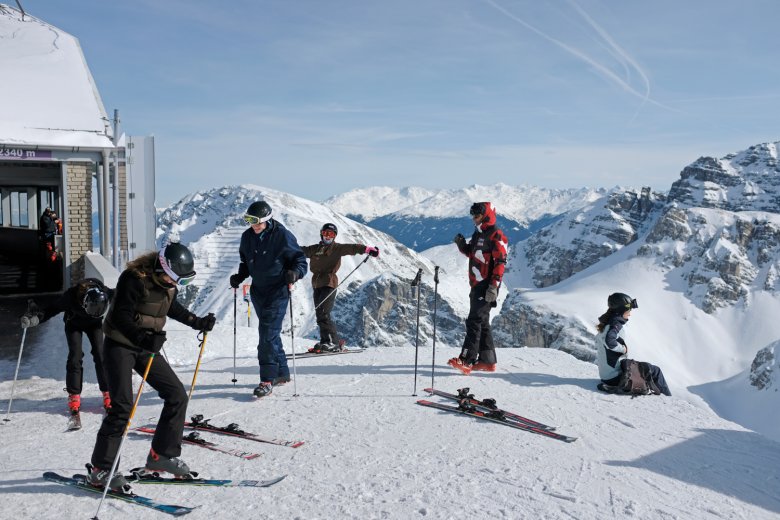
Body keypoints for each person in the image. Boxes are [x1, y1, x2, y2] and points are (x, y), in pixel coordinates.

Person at [87, 243, 216, 490]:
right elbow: (121, 317)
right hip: (119, 345)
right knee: (122, 406)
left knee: (176, 395)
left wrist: (197, 322)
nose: (174, 284)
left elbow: (172, 307)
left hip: (146, 347)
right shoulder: (134, 279)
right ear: (160, 268)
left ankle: (162, 456)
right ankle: (101, 470)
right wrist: (143, 338)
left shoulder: (168, 285)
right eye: (173, 278)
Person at [229, 201, 307, 397]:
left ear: (266, 219)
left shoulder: (282, 235)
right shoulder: (247, 236)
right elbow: (245, 262)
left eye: (256, 221)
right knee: (270, 335)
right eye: (248, 220)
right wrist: (240, 276)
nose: (252, 225)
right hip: (258, 290)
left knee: (266, 334)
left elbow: (300, 260)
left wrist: (294, 274)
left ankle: (267, 379)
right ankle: (282, 373)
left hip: (278, 290)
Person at [21, 278, 114, 415]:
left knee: (100, 354)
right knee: (75, 356)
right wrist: (37, 319)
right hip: (74, 323)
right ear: (85, 302)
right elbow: (52, 309)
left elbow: (124, 294)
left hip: (94, 323)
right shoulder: (70, 296)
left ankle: (107, 392)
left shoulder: (105, 292)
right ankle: (74, 394)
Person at [448, 202, 508, 374]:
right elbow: (473, 253)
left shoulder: (496, 235)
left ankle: (466, 360)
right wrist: (462, 246)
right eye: (472, 216)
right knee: (482, 322)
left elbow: (500, 262)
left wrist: (493, 286)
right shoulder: (479, 233)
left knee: (474, 321)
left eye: (477, 216)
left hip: (486, 285)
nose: (474, 219)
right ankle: (487, 362)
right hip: (476, 283)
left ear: (486, 215)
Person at [301, 223, 379, 352]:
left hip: (329, 283)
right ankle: (325, 341)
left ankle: (333, 343)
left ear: (334, 236)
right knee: (320, 314)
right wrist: (286, 248)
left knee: (325, 313)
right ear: (321, 234)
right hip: (316, 284)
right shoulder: (315, 249)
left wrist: (367, 249)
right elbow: (301, 251)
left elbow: (352, 248)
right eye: (326, 233)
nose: (328, 236)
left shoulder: (337, 248)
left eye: (331, 234)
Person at [594, 292, 671, 396]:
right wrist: (623, 349)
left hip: (607, 376)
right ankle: (668, 398)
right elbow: (609, 342)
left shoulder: (607, 324)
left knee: (646, 368)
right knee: (655, 371)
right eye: (629, 310)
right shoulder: (614, 325)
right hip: (615, 377)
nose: (630, 313)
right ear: (622, 310)